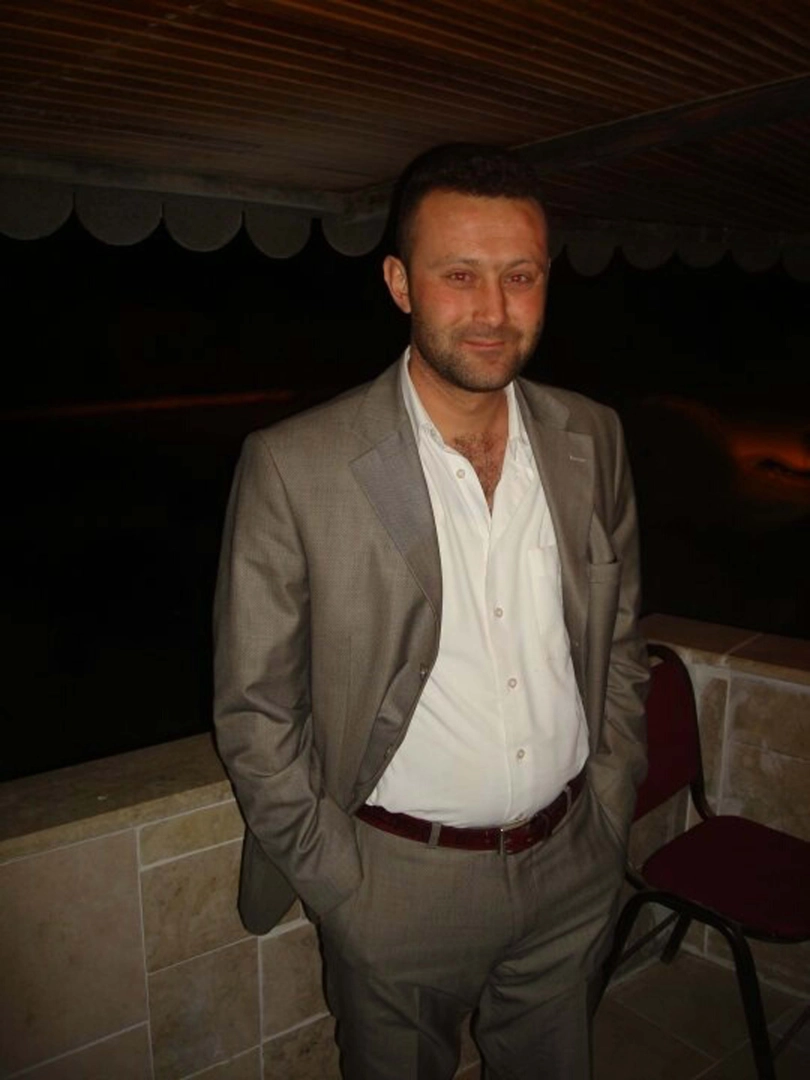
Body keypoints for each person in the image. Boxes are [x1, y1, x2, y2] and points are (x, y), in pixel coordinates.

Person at [214, 143, 649, 1080]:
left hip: (574, 861)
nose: (494, 311)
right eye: (460, 275)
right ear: (400, 283)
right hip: (396, 884)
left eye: (520, 276)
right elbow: (255, 708)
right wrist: (342, 883)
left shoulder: (593, 436)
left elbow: (618, 640)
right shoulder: (297, 464)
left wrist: (610, 806)